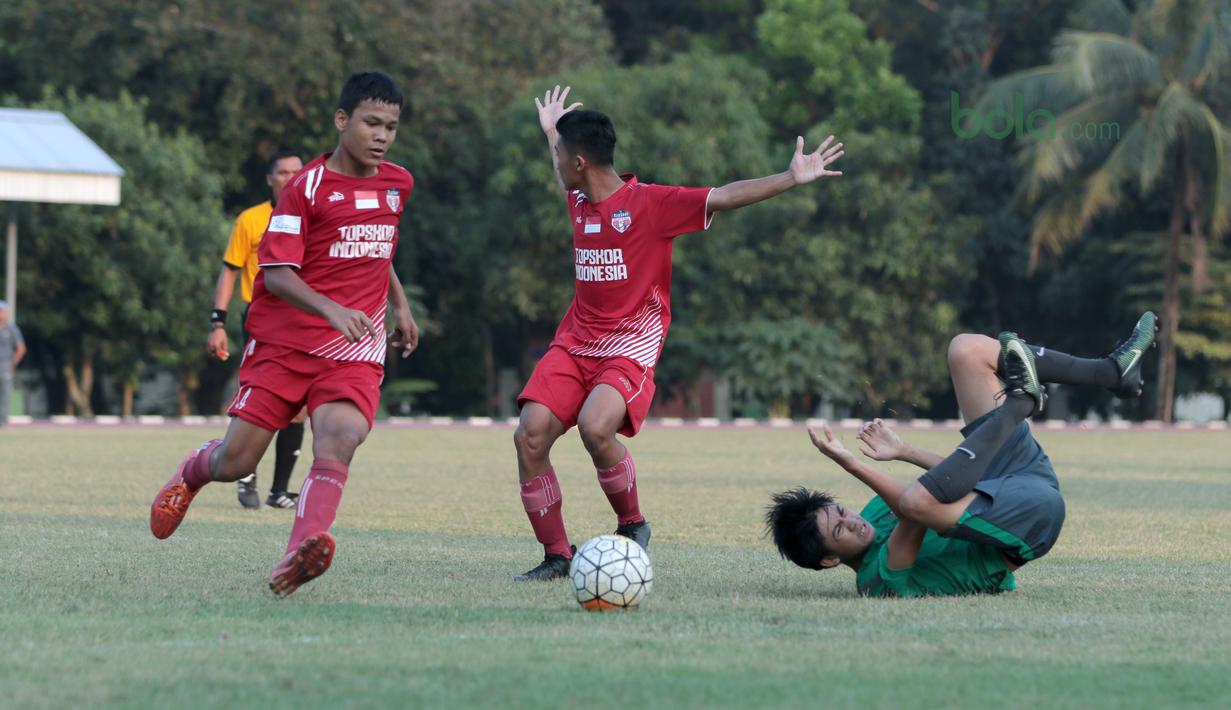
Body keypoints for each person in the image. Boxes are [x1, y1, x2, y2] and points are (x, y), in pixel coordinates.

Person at [513, 85, 845, 581]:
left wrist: (791, 178)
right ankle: (558, 556)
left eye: (558, 154)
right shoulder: (578, 198)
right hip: (575, 341)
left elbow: (725, 195)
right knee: (529, 437)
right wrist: (551, 132)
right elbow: (566, 167)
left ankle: (633, 524)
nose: (554, 162)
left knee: (595, 427)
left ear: (579, 161)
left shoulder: (652, 203)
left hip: (630, 344)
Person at [149, 71, 420, 598]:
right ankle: (191, 471)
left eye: (391, 126)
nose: (382, 135)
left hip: (352, 350)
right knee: (237, 462)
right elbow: (275, 272)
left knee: (340, 437)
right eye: (371, 122)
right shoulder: (305, 189)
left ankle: (296, 554)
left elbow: (377, 249)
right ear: (342, 121)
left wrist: (401, 304)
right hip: (284, 345)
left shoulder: (398, 183)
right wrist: (330, 309)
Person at [766, 312, 1158, 597]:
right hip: (1030, 520)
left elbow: (954, 483)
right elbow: (913, 509)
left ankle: (1108, 373)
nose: (851, 521)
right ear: (830, 560)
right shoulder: (875, 583)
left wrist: (905, 450)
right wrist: (849, 461)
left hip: (1013, 476)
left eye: (841, 512)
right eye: (839, 532)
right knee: (916, 500)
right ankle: (1020, 403)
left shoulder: (870, 514)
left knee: (966, 350)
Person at [208, 149, 308, 510]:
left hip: (303, 317)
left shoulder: (315, 216)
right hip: (262, 315)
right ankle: (244, 474)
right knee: (258, 395)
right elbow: (230, 270)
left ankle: (279, 491)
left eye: (297, 172)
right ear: (270, 179)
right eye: (282, 173)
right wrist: (217, 322)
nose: (291, 178)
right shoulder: (251, 220)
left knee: (298, 405)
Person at [0, 300, 26, 427]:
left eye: (2, 311)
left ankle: (2, 420)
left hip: (5, 365)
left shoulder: (12, 329)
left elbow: (21, 348)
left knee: (5, 393)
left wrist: (13, 363)